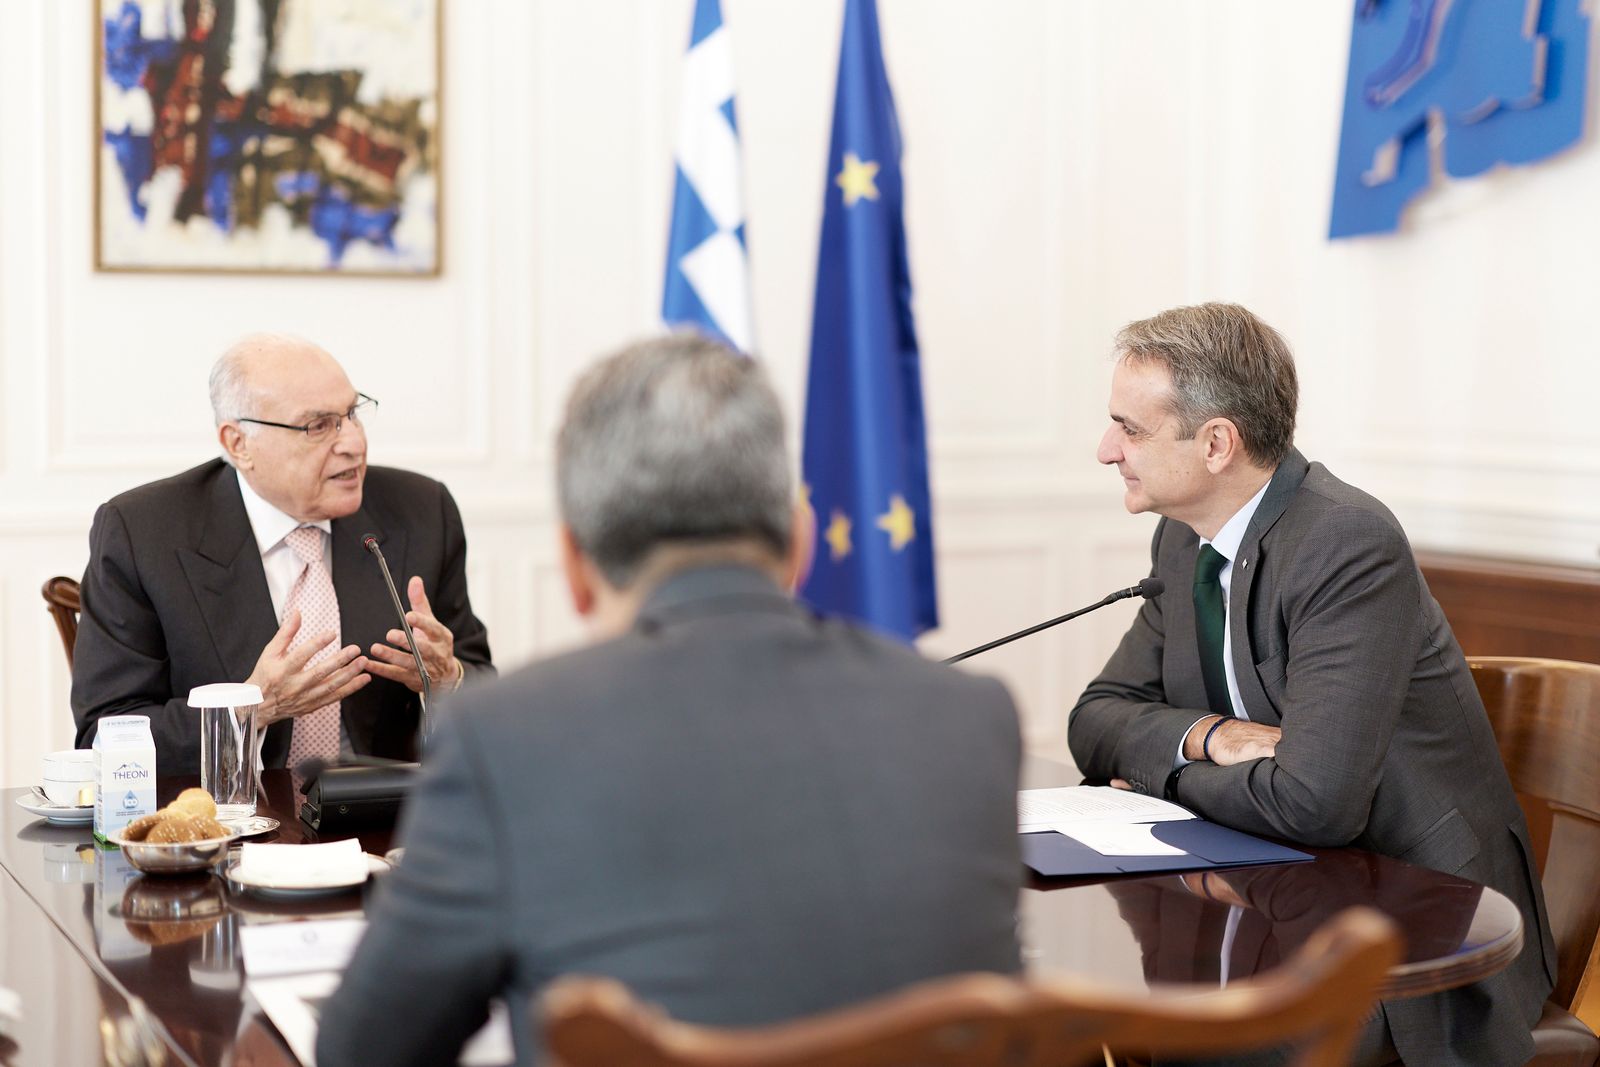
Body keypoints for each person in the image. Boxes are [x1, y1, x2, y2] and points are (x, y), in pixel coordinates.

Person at [316, 334, 1023, 1067]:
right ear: (801, 543)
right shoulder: (971, 716)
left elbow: (362, 1050)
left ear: (574, 566)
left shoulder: (505, 737)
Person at [1070, 303, 1554, 1066]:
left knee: (1198, 1048)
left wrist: (1163, 774)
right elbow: (1095, 718)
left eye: (1129, 428)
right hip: (1280, 901)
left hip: (1417, 940)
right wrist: (1208, 737)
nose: (1106, 450)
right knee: (1103, 1018)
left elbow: (1315, 803)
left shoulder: (1344, 542)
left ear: (1217, 443)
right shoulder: (1182, 540)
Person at [72, 334, 493, 775]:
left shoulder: (422, 512)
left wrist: (448, 678)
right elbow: (105, 734)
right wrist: (250, 709)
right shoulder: (143, 534)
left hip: (384, 809)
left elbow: (483, 683)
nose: (353, 443)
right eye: (318, 426)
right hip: (227, 811)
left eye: (352, 414)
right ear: (239, 444)